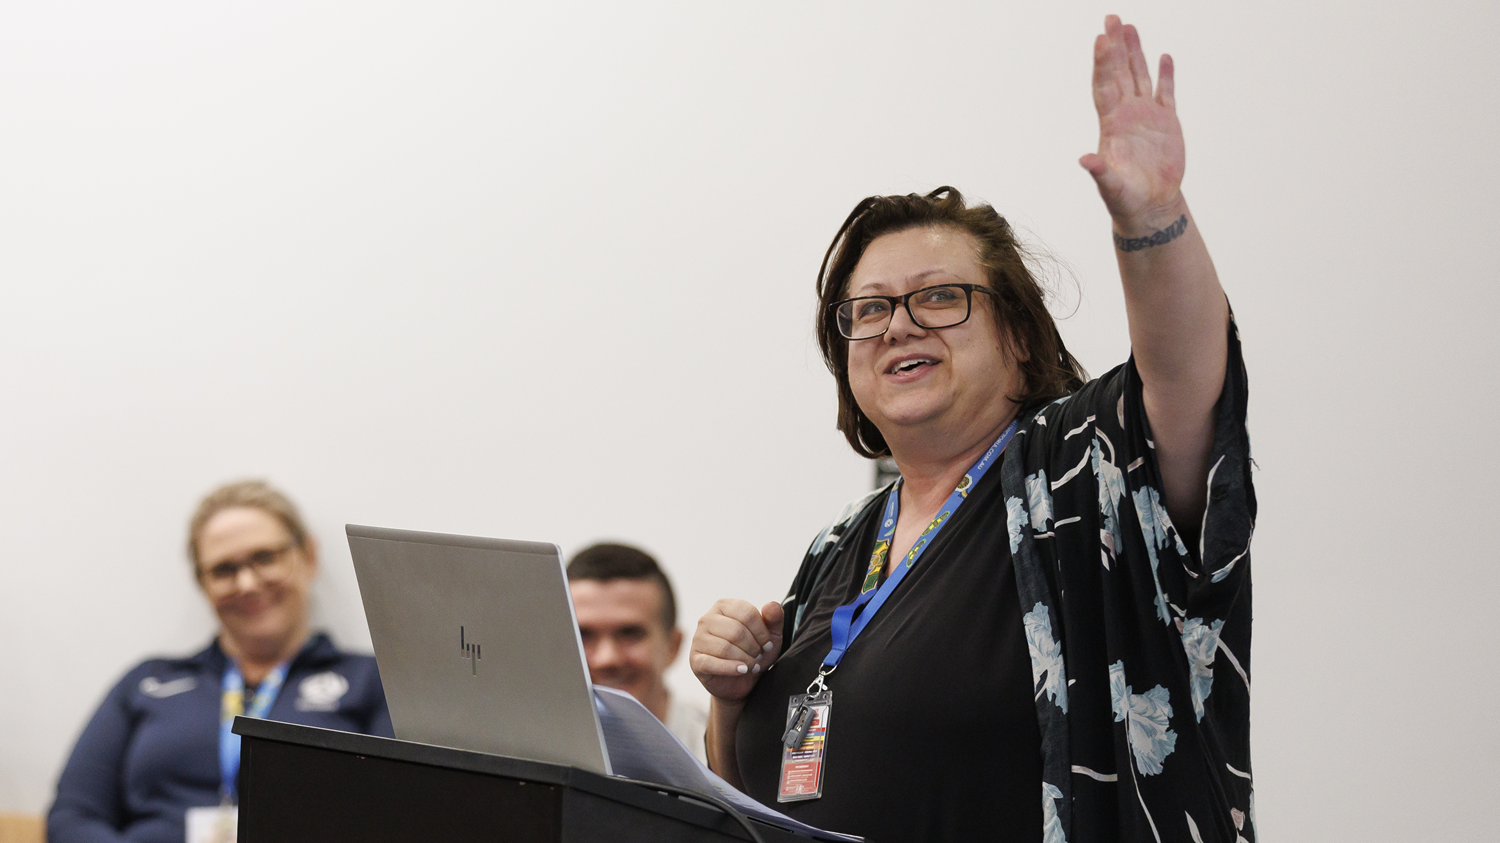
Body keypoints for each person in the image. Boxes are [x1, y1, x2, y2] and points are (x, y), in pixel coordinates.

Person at [690, 16, 1255, 843]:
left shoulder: (1077, 472)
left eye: (939, 297)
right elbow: (757, 798)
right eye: (870, 309)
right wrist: (729, 697)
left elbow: (1185, 380)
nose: (899, 325)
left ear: (1019, 335)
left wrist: (1153, 218)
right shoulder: (839, 546)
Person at [48, 480, 392, 843]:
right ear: (203, 583)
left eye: (265, 558)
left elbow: (400, 814)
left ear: (308, 556)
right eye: (224, 570)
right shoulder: (147, 682)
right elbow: (72, 816)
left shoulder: (375, 682)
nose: (247, 583)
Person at [567, 543, 709, 762]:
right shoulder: (525, 749)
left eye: (630, 634)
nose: (606, 659)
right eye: (583, 635)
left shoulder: (723, 757)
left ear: (673, 646)